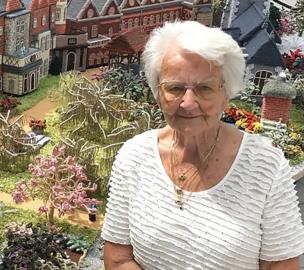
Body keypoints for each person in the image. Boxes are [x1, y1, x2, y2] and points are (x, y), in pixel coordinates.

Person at [101, 21, 304, 270]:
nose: (188, 103)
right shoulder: (134, 156)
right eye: (174, 88)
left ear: (226, 94)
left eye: (204, 88)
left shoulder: (267, 167)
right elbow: (118, 258)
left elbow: (281, 266)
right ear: (158, 93)